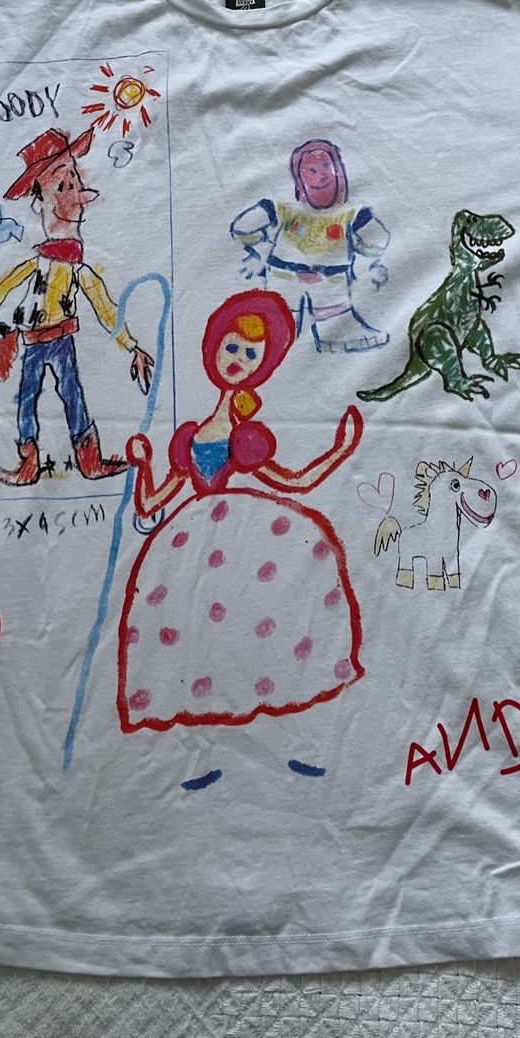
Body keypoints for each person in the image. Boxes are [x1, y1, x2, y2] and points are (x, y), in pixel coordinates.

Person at [119, 290, 364, 786]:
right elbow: (150, 503)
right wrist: (143, 465)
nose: (238, 359)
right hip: (190, 539)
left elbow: (295, 483)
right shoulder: (189, 436)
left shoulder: (246, 437)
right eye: (231, 347)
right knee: (196, 642)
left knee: (264, 634)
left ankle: (296, 745)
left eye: (251, 354)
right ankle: (201, 759)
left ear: (261, 368)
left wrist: (341, 451)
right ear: (213, 350)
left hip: (245, 539)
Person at [0, 127, 154, 483]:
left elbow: (107, 310)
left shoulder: (78, 271)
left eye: (74, 183)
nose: (72, 194)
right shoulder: (35, 264)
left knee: (71, 396)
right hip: (32, 341)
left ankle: (89, 461)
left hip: (61, 339)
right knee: (27, 398)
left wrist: (132, 346)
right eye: (61, 186)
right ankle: (29, 464)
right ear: (39, 202)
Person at [229, 138, 390, 352]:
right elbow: (241, 227)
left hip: (330, 282)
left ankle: (337, 330)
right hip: (285, 278)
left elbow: (379, 239)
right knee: (275, 321)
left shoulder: (351, 215)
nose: (321, 175)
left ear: (339, 170)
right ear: (299, 178)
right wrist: (260, 249)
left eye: (326, 166)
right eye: (312, 170)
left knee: (333, 315)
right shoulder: (286, 211)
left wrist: (369, 259)